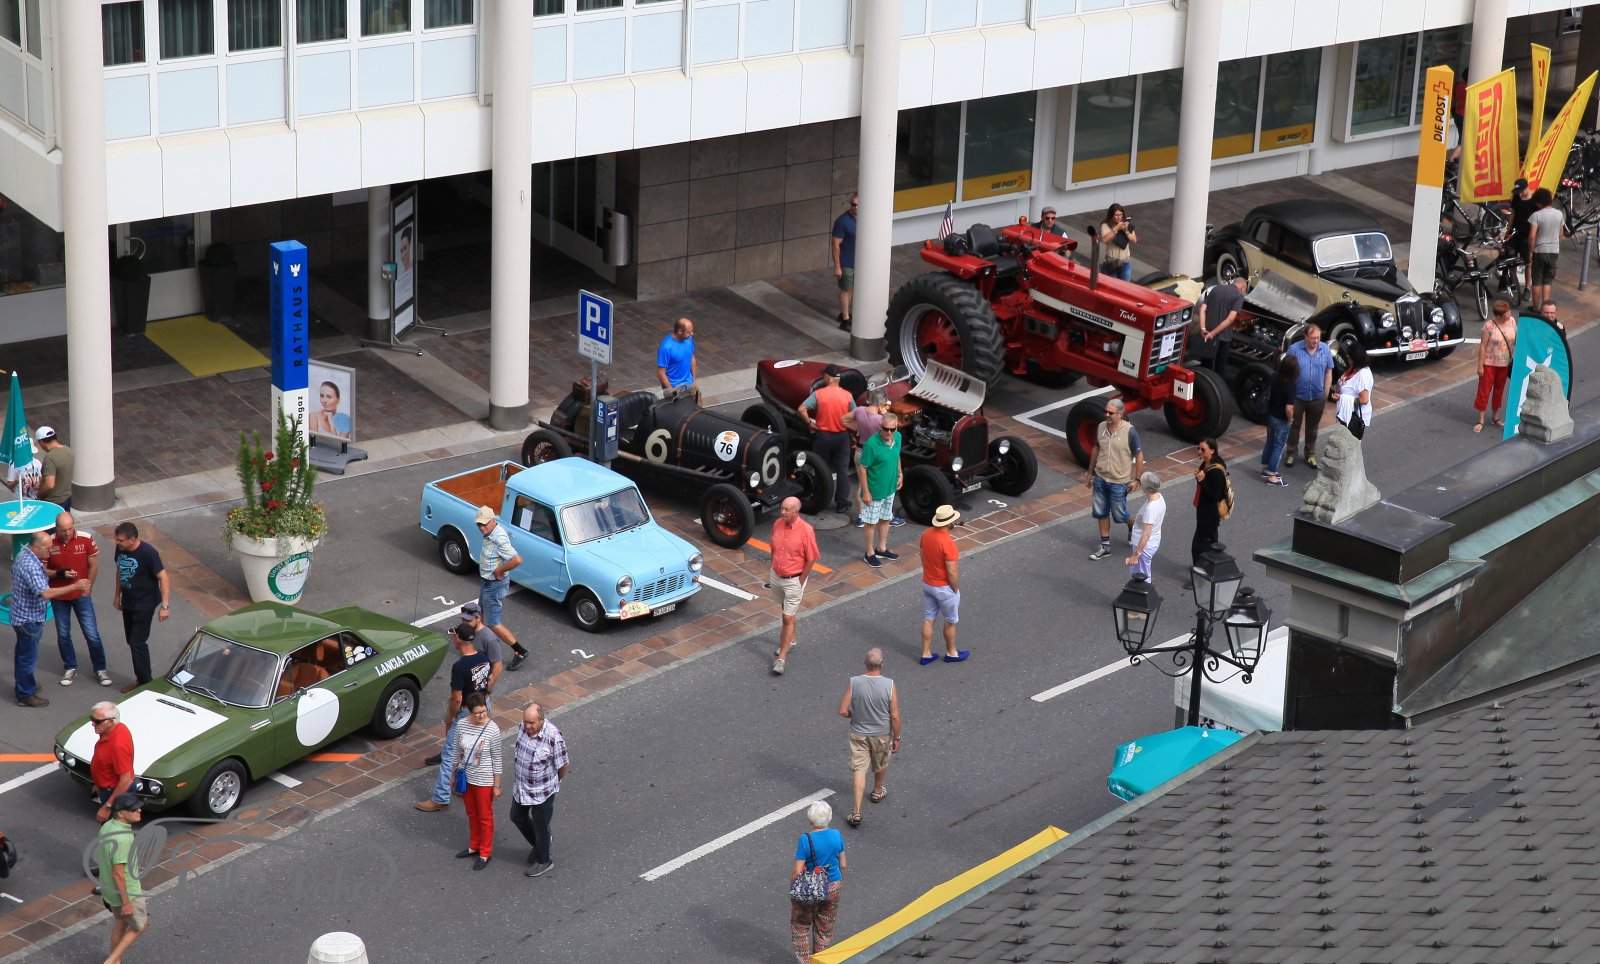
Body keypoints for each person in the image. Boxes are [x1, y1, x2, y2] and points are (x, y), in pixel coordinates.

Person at [416, 624, 494, 813]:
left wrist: (451, 716)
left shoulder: (460, 666)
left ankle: (440, 797)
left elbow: (457, 697)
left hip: (467, 712)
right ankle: (463, 786)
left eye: (454, 635)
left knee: (450, 754)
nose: (453, 638)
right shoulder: (483, 658)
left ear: (458, 638)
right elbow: (490, 680)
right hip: (484, 706)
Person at [14, 530, 89, 707]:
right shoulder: (30, 566)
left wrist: (59, 574)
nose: (51, 550)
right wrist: (75, 586)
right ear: (36, 547)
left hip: (22, 616)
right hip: (28, 619)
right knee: (28, 659)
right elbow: (45, 593)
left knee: (23, 655)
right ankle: (25, 694)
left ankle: (25, 684)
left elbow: (42, 575)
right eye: (47, 548)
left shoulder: (26, 555)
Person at [837, 648, 899, 828]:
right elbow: (894, 716)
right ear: (882, 664)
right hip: (882, 734)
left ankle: (856, 811)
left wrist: (853, 715)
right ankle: (877, 790)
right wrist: (897, 738)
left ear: (865, 663)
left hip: (859, 733)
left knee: (859, 769)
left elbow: (842, 710)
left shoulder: (854, 682)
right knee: (881, 762)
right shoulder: (889, 685)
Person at [47, 511, 110, 688]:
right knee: (63, 634)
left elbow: (93, 564)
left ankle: (100, 669)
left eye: (70, 528)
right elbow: (44, 569)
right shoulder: (49, 542)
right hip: (59, 596)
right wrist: (59, 574)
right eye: (63, 530)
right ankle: (70, 667)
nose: (67, 533)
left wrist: (89, 587)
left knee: (92, 634)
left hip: (81, 595)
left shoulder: (86, 538)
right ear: (57, 528)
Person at [510, 701, 569, 878]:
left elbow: (563, 764)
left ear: (542, 720)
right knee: (517, 816)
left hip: (542, 791)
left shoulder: (553, 737)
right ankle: (540, 844)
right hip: (522, 788)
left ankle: (544, 860)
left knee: (540, 825)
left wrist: (555, 781)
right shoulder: (523, 727)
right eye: (525, 721)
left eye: (531, 723)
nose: (527, 726)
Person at [111, 522, 170, 692]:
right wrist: (117, 595)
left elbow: (163, 577)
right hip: (128, 602)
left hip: (144, 604)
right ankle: (142, 678)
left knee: (137, 642)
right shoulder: (120, 549)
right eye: (116, 539)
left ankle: (145, 682)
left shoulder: (148, 553)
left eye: (120, 540)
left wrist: (165, 606)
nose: (117, 542)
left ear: (132, 539)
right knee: (131, 640)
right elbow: (120, 571)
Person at [1086, 398, 1144, 560]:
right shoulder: (1101, 427)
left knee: (1119, 515)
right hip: (1100, 478)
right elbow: (1096, 448)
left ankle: (1133, 524)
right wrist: (1090, 472)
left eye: (1110, 413)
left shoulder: (1130, 431)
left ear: (1120, 414)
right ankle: (1105, 547)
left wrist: (1137, 479)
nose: (1106, 415)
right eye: (1106, 412)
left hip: (1119, 482)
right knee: (1100, 512)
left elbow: (1139, 455)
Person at [789, 800, 846, 963]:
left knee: (800, 925)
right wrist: (837, 884)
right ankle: (820, 961)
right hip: (833, 886)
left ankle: (804, 961)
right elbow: (843, 865)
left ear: (810, 819)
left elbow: (797, 871)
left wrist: (793, 887)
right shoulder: (836, 835)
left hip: (810, 889)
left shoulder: (805, 839)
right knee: (824, 929)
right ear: (829, 818)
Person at [95, 792, 149, 962]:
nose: (139, 810)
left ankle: (115, 961)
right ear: (121, 813)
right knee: (140, 926)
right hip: (127, 893)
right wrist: (126, 903)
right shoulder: (123, 838)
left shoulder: (107, 827)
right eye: (134, 809)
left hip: (109, 890)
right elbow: (118, 873)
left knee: (121, 923)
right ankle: (110, 961)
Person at [474, 506, 530, 670]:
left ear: (493, 521)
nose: (481, 527)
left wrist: (499, 570)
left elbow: (517, 560)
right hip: (487, 582)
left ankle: (520, 651)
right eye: (479, 524)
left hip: (493, 585)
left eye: (484, 524)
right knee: (480, 614)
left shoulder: (499, 539)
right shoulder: (489, 534)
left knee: (493, 623)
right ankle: (480, 644)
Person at [452, 692, 501, 871]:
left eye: (484, 711)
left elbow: (497, 759)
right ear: (469, 711)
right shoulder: (461, 725)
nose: (481, 716)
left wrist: (497, 785)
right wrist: (453, 775)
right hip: (466, 777)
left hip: (484, 780)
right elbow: (456, 752)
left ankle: (485, 852)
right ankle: (474, 845)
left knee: (485, 816)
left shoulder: (493, 729)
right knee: (471, 813)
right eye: (477, 713)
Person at [770, 497, 819, 675]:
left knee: (787, 618)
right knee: (787, 611)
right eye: (782, 508)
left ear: (796, 512)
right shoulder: (777, 524)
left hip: (794, 580)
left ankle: (782, 658)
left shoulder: (806, 530)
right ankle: (791, 641)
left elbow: (811, 558)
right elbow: (773, 548)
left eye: (787, 510)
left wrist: (800, 581)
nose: (782, 512)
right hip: (776, 576)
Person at [798, 364, 856, 516]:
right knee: (842, 470)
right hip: (842, 438)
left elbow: (801, 409)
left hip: (823, 437)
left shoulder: (819, 394)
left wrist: (809, 423)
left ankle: (818, 499)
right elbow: (855, 416)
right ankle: (842, 503)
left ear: (828, 377)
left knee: (820, 469)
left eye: (824, 375)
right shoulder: (847, 396)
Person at [919, 504, 967, 665]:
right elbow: (951, 572)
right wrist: (955, 588)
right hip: (944, 587)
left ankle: (926, 653)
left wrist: (928, 573)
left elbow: (922, 555)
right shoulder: (948, 543)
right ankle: (951, 652)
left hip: (928, 583)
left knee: (929, 618)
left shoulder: (926, 534)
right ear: (949, 523)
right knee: (950, 621)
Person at [1285, 323, 1335, 469]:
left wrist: (1325, 394)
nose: (1316, 341)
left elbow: (1328, 372)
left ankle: (1310, 454)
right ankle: (1291, 453)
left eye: (1318, 338)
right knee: (1294, 426)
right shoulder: (1294, 350)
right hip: (1297, 396)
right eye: (1313, 338)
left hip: (1317, 397)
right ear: (1305, 337)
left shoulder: (1325, 349)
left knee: (1312, 428)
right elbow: (1287, 373)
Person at [857, 411, 903, 568]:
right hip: (875, 491)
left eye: (892, 429)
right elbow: (863, 468)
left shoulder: (897, 438)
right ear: (880, 427)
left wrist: (900, 474)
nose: (889, 432)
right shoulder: (871, 444)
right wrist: (866, 492)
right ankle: (869, 552)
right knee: (871, 522)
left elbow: (897, 456)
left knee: (885, 518)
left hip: (890, 488)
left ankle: (881, 548)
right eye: (886, 429)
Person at [1188, 439, 1228, 590]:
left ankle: (1199, 578)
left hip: (1208, 515)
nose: (1199, 451)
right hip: (1204, 512)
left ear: (1212, 450)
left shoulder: (1216, 471)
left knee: (1198, 548)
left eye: (1203, 449)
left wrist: (1202, 481)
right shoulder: (1207, 463)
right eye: (1198, 448)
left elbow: (1215, 496)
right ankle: (1214, 572)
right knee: (1212, 545)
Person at [1473, 300, 1518, 433]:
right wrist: (1480, 366)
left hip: (1504, 363)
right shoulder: (1489, 326)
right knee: (1484, 391)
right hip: (1489, 363)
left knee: (1499, 390)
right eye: (1507, 313)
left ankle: (1495, 416)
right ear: (1499, 315)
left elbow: (1517, 339)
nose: (1509, 314)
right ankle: (1481, 419)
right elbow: (1483, 346)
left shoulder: (1512, 322)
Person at [844, 391, 887, 527]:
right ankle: (883, 515)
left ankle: (861, 516)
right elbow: (892, 434)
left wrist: (858, 428)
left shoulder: (859, 411)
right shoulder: (880, 420)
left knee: (861, 485)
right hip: (874, 455)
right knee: (879, 485)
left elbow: (844, 419)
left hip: (859, 452)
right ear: (881, 403)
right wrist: (885, 415)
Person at [89, 700, 135, 822]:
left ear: (110, 722)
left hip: (114, 793)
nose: (92, 723)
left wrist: (107, 807)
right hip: (107, 788)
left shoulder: (118, 746)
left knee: (112, 829)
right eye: (92, 718)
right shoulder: (115, 729)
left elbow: (126, 780)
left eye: (97, 721)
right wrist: (98, 783)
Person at [1260, 353, 1298, 486]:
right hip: (1282, 419)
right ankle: (1272, 475)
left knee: (1269, 442)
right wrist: (1290, 419)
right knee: (1278, 446)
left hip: (1271, 415)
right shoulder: (1291, 384)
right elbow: (1289, 408)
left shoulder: (1274, 377)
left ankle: (1265, 468)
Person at [1199, 277, 1248, 375]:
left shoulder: (1216, 288)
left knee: (1205, 365)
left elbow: (1202, 309)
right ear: (1242, 287)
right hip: (1223, 336)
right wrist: (1213, 334)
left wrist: (1203, 328)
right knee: (1220, 368)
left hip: (1207, 332)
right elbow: (1230, 319)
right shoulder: (1239, 296)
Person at [1124, 472, 1165, 582]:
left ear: (1145, 487)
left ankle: (1144, 592)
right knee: (1140, 572)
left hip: (1145, 546)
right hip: (1152, 542)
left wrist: (1136, 555)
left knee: (1142, 576)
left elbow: (1146, 534)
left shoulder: (1150, 509)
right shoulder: (1159, 496)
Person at [1527, 187, 1563, 310]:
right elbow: (1561, 234)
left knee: (1536, 280)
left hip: (1539, 251)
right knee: (1547, 280)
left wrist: (1530, 251)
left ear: (1538, 202)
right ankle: (1545, 308)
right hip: (1554, 251)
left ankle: (1535, 308)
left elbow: (1532, 236)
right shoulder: (1559, 214)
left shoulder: (1536, 215)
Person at [1335, 342, 1374, 437]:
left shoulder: (1363, 375)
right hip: (1348, 415)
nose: (1347, 357)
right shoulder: (1354, 369)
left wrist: (1342, 398)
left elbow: (1364, 400)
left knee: (1350, 443)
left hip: (1355, 418)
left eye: (1349, 356)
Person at [831, 195, 858, 330]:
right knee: (846, 290)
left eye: (858, 205)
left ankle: (844, 314)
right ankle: (845, 320)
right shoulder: (842, 222)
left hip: (857, 262)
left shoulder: (862, 219)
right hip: (846, 262)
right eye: (853, 204)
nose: (855, 207)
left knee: (850, 288)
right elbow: (835, 245)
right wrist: (837, 267)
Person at [35, 425, 73, 510]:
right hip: (68, 497)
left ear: (41, 442)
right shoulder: (68, 450)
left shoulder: (50, 457)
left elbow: (49, 485)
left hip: (54, 502)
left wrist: (38, 495)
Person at [655, 317, 697, 392]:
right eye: (688, 332)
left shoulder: (688, 339)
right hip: (675, 387)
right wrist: (672, 391)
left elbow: (691, 357)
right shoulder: (666, 347)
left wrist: (693, 379)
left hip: (690, 384)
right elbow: (660, 372)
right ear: (680, 331)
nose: (691, 334)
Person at [1098, 204, 1138, 282]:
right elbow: (1104, 239)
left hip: (1125, 262)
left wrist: (1126, 231)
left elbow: (1134, 240)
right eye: (1116, 215)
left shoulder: (1125, 224)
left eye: (1120, 214)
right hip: (1111, 262)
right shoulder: (1105, 225)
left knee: (1125, 286)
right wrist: (1116, 228)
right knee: (1110, 286)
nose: (1119, 217)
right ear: (1111, 215)